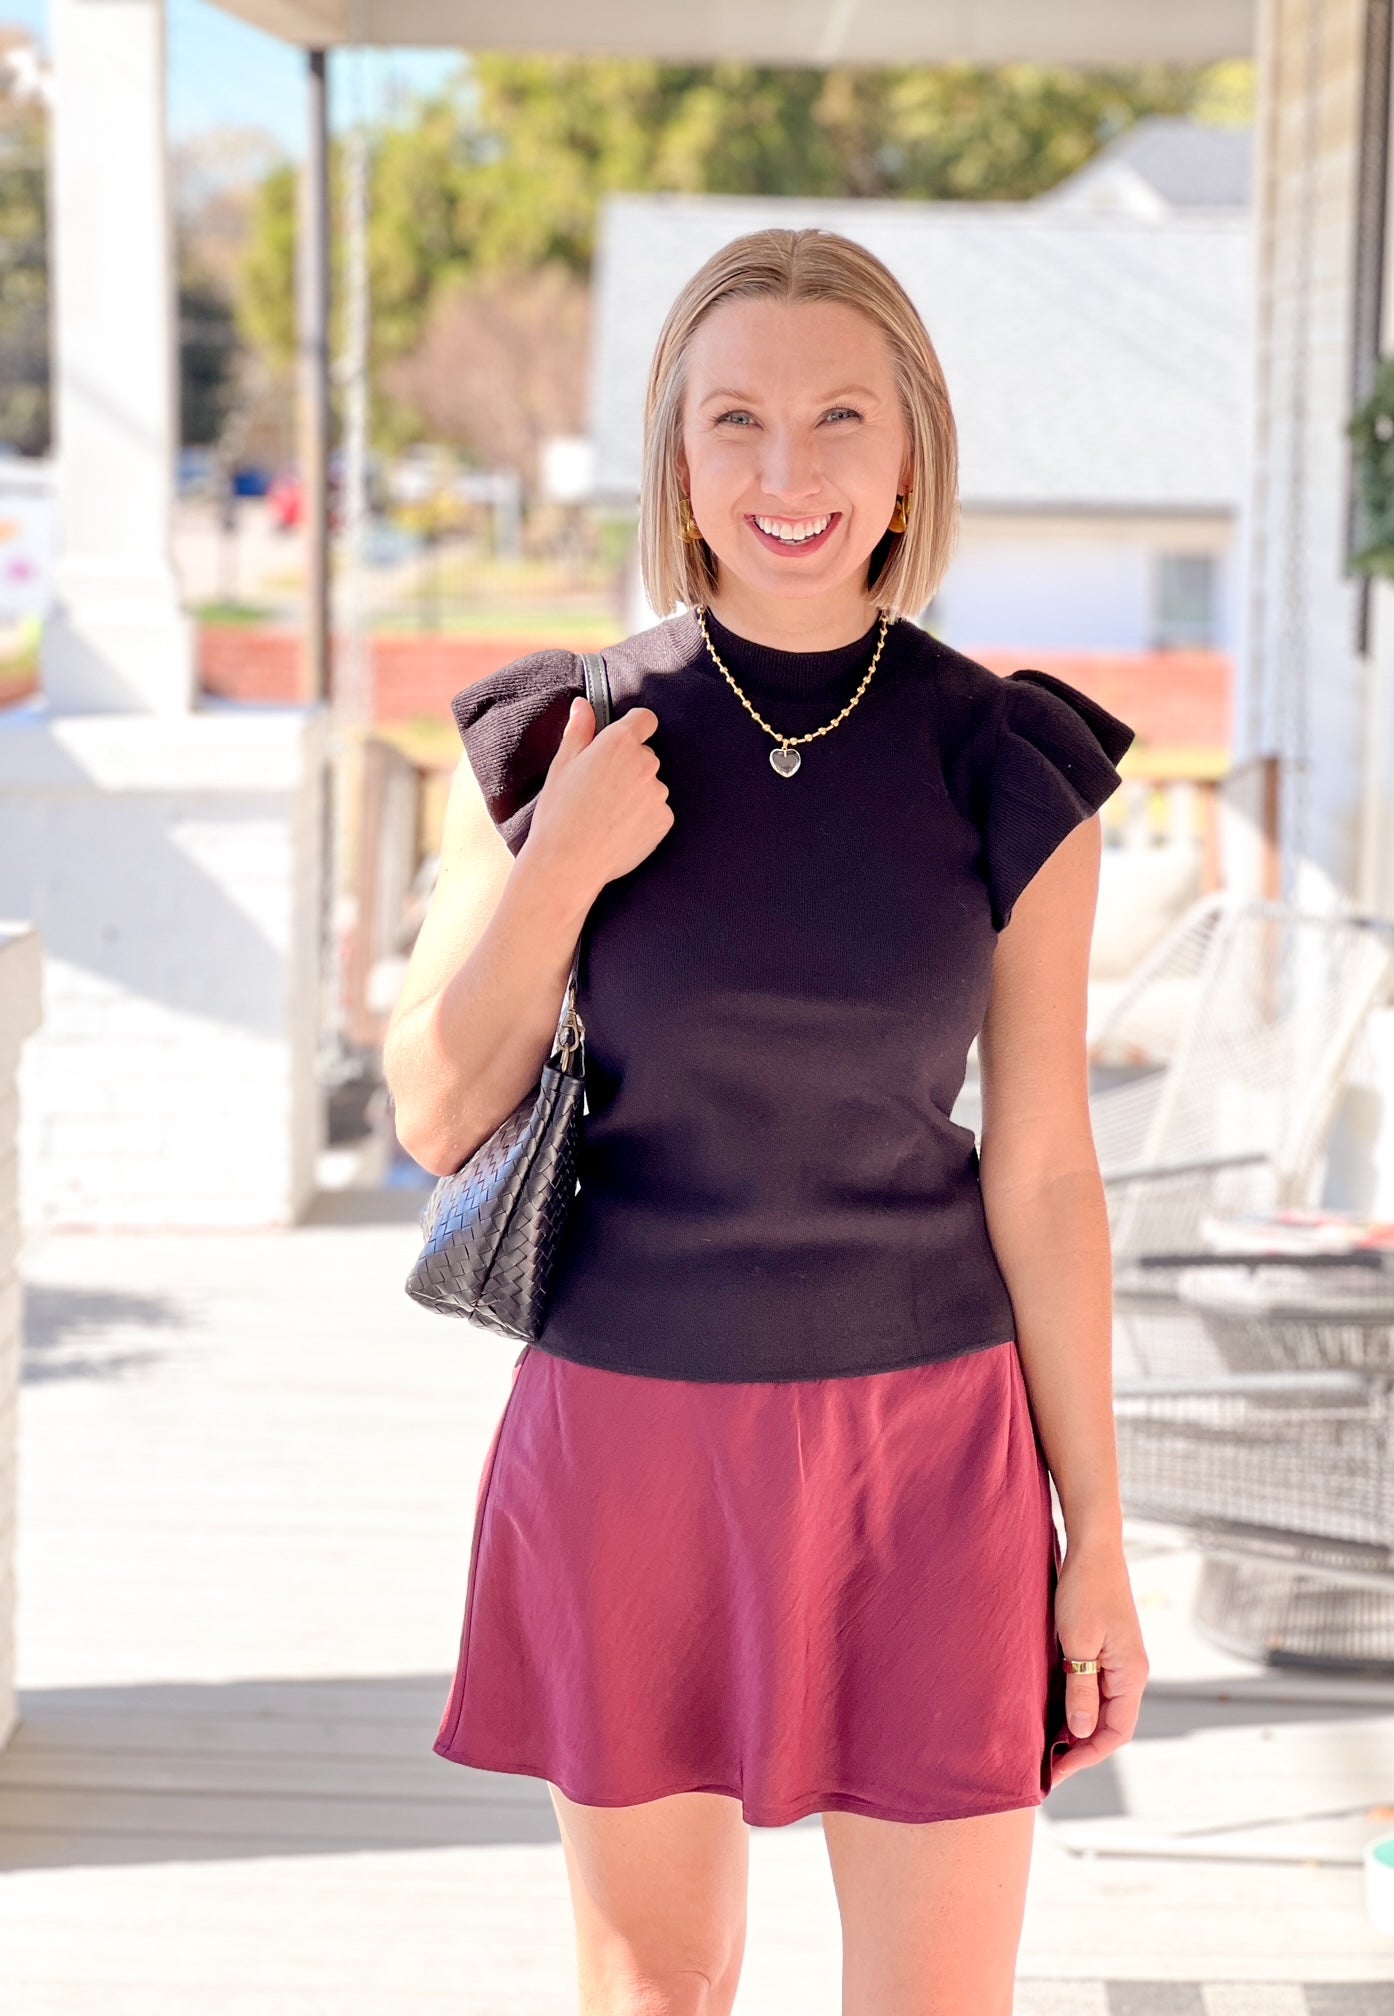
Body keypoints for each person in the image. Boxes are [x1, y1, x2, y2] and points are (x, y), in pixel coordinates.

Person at [384, 227, 1149, 2016]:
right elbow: (433, 1110)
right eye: (735, 422)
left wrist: (1097, 1533)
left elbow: (1044, 1170)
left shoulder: (1006, 763)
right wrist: (559, 866)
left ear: (909, 456)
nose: (786, 474)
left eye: (836, 420)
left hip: (936, 1460)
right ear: (676, 454)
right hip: (631, 1444)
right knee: (659, 1994)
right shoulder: (559, 736)